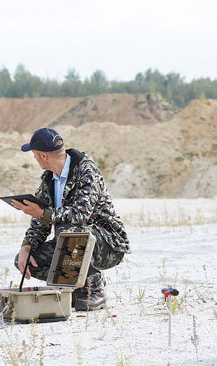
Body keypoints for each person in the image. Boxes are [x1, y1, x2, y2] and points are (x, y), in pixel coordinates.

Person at [12, 127, 130, 311]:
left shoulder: (86, 171)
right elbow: (40, 224)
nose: (34, 159)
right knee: (29, 259)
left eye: (34, 154)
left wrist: (43, 213)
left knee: (67, 229)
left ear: (43, 156)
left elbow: (80, 214)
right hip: (74, 240)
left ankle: (93, 287)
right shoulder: (49, 180)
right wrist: (26, 246)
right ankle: (76, 287)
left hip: (108, 245)